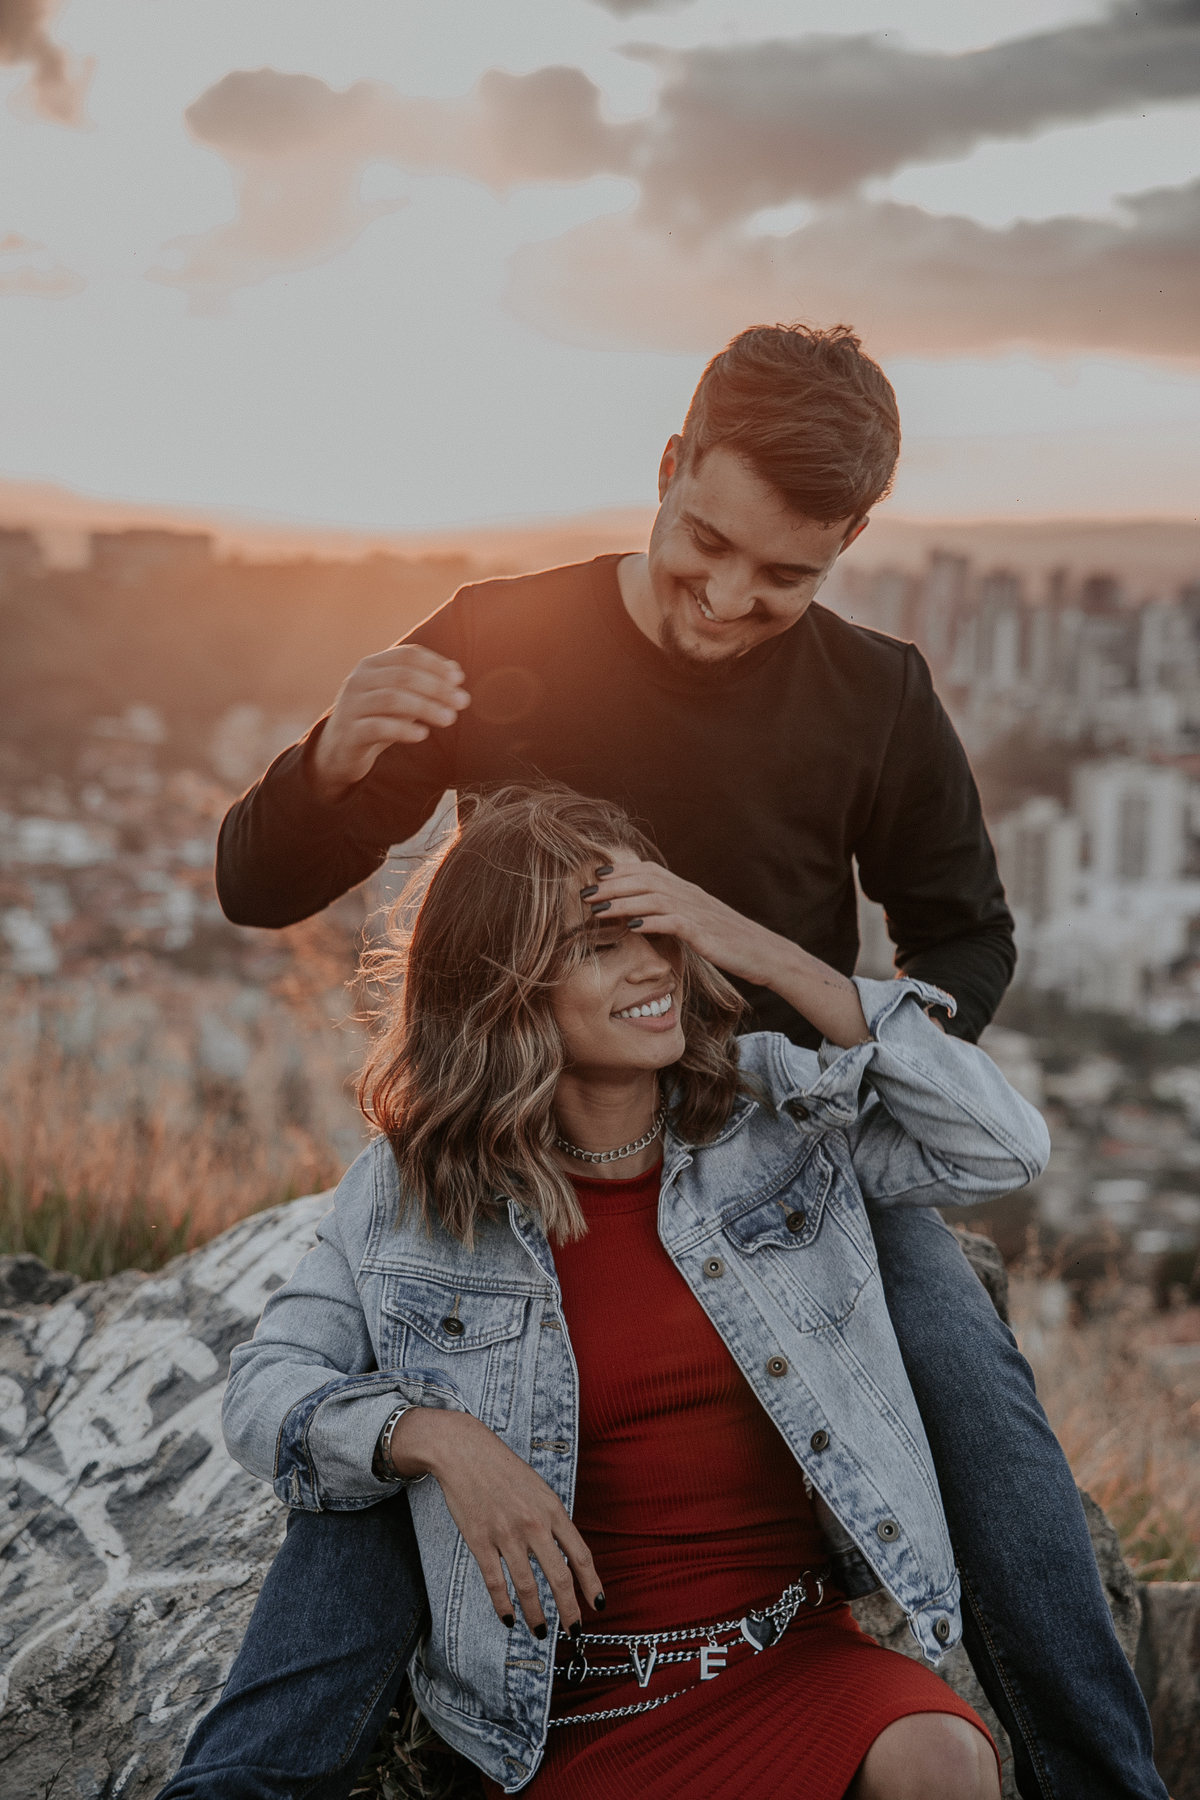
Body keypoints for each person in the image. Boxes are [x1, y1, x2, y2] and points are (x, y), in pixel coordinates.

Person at [211, 326, 1166, 1799]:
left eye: (784, 577)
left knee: (979, 1402)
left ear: (849, 544)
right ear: (665, 470)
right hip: (527, 1137)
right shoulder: (502, 634)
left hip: (786, 1158)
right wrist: (335, 766)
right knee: (398, 1429)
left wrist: (828, 1040)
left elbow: (967, 944)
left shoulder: (876, 694)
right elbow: (258, 886)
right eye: (704, 543)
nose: (728, 601)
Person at [170, 784, 1059, 1798]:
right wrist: (436, 1438)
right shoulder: (411, 1189)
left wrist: (764, 950)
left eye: (659, 932)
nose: (652, 967)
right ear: (503, 987)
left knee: (941, 1756)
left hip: (791, 1657)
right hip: (564, 1710)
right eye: (600, 945)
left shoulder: (775, 1118)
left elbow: (1003, 1147)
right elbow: (264, 1390)